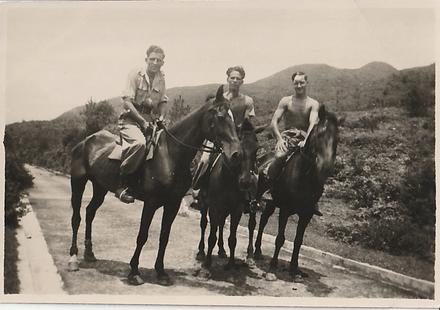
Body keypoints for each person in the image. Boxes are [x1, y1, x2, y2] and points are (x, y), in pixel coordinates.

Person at [264, 71, 322, 216]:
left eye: (302, 82)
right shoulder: (286, 101)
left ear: (307, 83)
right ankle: (269, 190)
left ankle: (314, 199)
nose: (299, 85)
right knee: (279, 157)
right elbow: (274, 122)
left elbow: (312, 123)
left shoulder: (313, 104)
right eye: (296, 82)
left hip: (305, 139)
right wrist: (279, 139)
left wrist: (306, 141)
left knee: (319, 164)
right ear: (293, 83)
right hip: (288, 137)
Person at [115, 45, 168, 203]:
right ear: (146, 60)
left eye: (158, 60)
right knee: (139, 144)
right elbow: (127, 102)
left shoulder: (161, 78)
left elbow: (163, 101)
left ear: (162, 63)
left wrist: (162, 117)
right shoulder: (135, 75)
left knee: (166, 148)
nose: (155, 62)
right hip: (131, 120)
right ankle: (121, 184)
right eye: (152, 59)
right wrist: (142, 121)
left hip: (150, 123)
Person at [192, 65, 255, 193]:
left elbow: (248, 123)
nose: (235, 80)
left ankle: (252, 198)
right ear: (227, 79)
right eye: (232, 77)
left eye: (238, 78)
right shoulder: (220, 99)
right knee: (204, 161)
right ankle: (198, 190)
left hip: (237, 139)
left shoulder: (247, 101)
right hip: (219, 137)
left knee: (251, 164)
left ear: (242, 81)